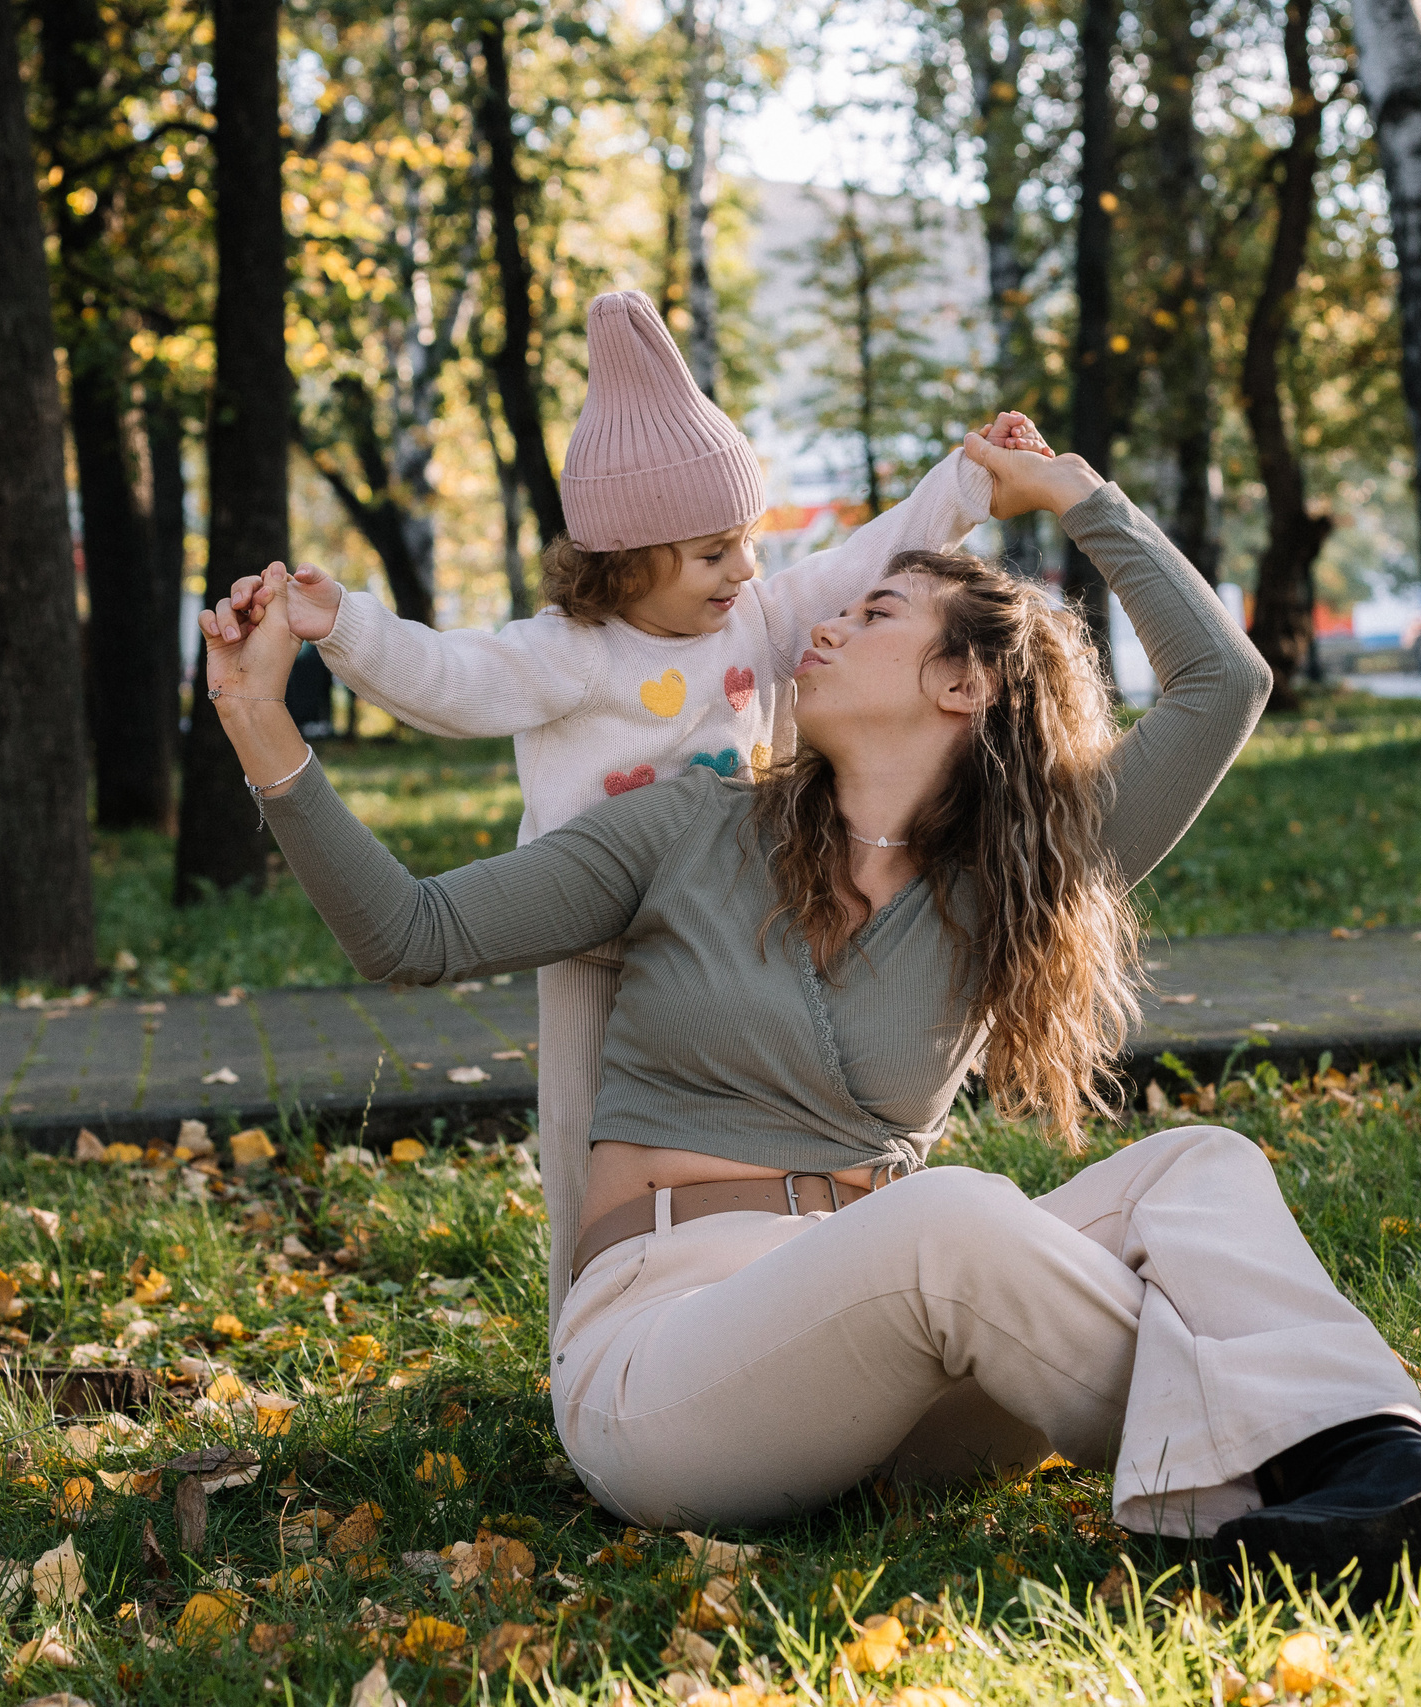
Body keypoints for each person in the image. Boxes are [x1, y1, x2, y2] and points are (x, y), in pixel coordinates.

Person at [201, 441, 1421, 1615]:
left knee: (1200, 1161)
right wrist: (267, 722)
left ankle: (1364, 1482)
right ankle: (1414, 1450)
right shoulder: (675, 834)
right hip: (668, 1356)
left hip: (921, 1360)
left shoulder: (1004, 876)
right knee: (957, 1216)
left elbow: (1220, 681)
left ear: (964, 683)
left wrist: (1084, 499)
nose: (818, 619)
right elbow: (412, 933)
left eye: (874, 610)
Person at [229, 288, 1047, 1334]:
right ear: (624, 559)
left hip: (720, 919)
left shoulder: (752, 611)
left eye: (745, 541)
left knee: (733, 1118)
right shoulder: (565, 653)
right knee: (586, 1134)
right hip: (592, 925)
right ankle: (591, 1325)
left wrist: (968, 474)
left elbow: (865, 558)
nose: (744, 569)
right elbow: (446, 677)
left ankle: (776, 1284)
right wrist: (341, 623)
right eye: (713, 552)